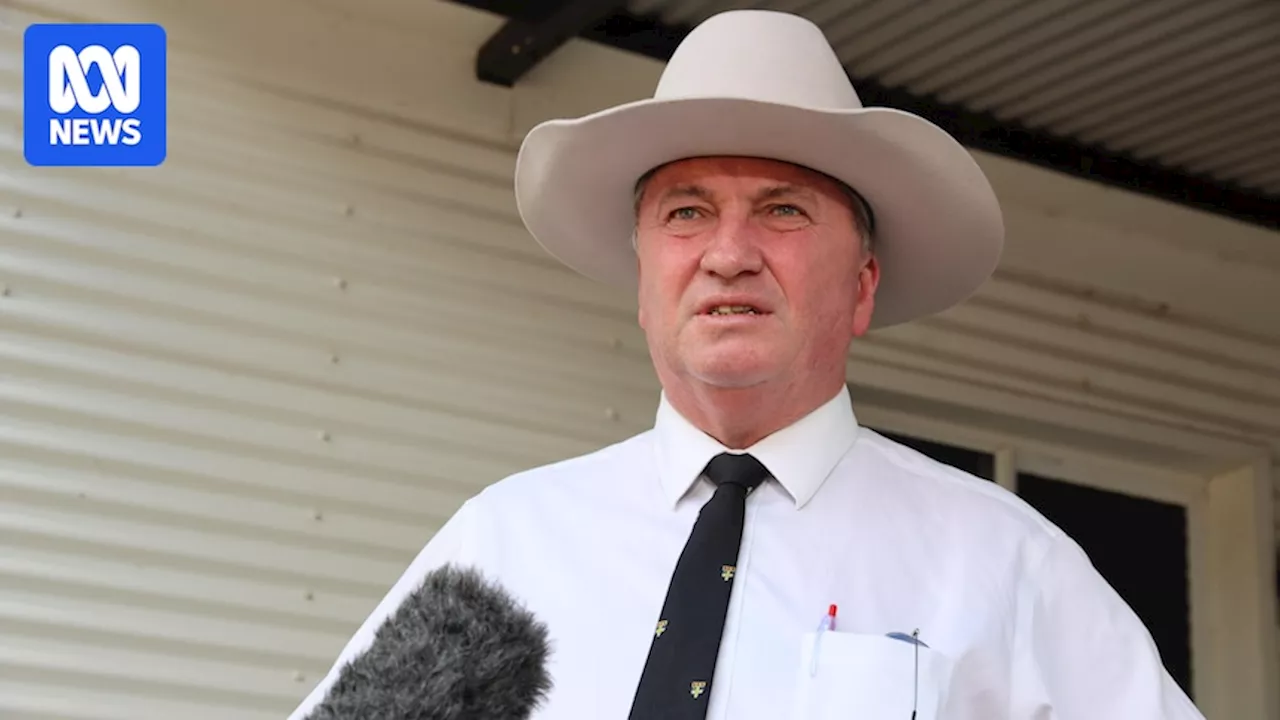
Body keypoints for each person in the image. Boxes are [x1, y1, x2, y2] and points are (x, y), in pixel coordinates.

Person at [289, 10, 1204, 720]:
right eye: (686, 213)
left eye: (783, 211)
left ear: (863, 284)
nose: (728, 253)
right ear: (646, 276)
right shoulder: (502, 547)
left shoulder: (1005, 566)